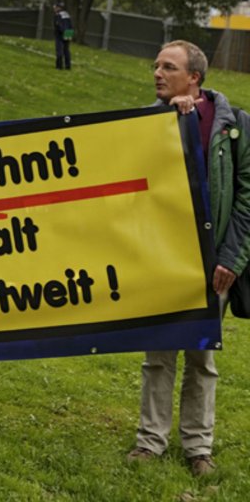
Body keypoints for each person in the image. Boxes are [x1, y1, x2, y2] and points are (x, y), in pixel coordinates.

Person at [127, 40, 250, 476]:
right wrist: (171, 121)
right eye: (156, 65)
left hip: (214, 265)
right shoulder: (151, 120)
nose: (157, 73)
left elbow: (247, 195)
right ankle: (150, 442)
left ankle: (199, 448)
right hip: (164, 259)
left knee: (202, 359)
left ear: (194, 77)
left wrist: (231, 259)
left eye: (168, 67)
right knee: (158, 355)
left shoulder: (236, 125)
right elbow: (135, 175)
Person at [53, 2, 73, 70]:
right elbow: (70, 25)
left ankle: (59, 66)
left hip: (61, 33)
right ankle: (68, 66)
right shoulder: (67, 14)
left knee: (59, 49)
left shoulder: (58, 15)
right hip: (68, 32)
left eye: (55, 7)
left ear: (58, 8)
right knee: (66, 50)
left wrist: (60, 32)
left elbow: (58, 25)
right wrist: (70, 34)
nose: (54, 9)